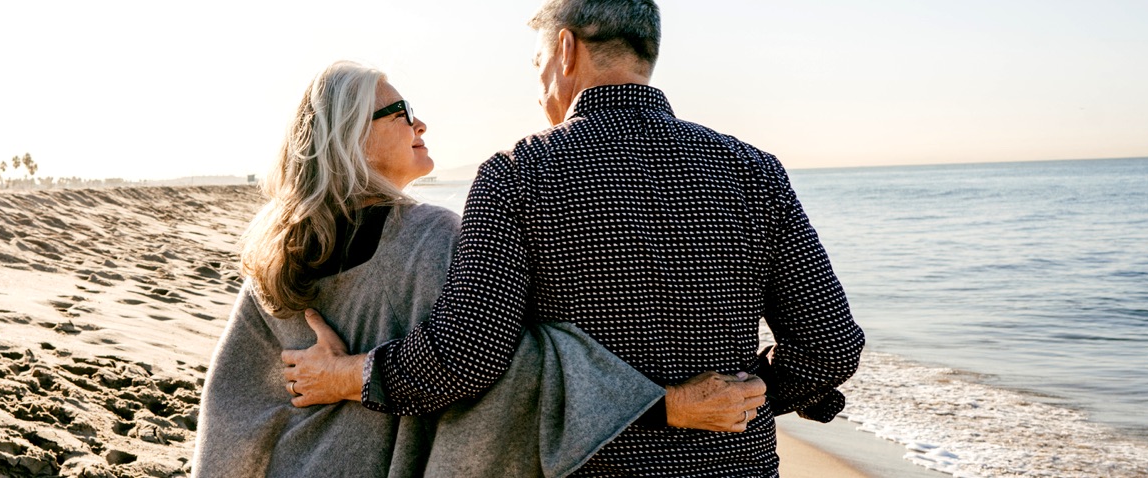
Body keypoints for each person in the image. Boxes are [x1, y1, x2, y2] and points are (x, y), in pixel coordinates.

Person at [281, 1, 866, 476]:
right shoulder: (753, 170)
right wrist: (752, 393)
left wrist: (350, 374)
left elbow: (467, 357)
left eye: (537, 65)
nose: (539, 89)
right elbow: (832, 347)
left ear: (565, 51)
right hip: (735, 466)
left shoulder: (519, 173)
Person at [191, 61, 758, 478]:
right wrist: (666, 404)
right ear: (353, 138)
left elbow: (233, 404)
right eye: (403, 113)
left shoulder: (275, 252)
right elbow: (503, 365)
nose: (422, 124)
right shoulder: (432, 236)